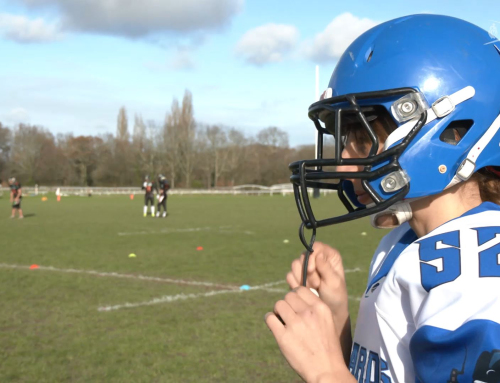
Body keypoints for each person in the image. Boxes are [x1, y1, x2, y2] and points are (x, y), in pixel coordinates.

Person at [265, 14, 500, 383]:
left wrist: (326, 372)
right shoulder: (406, 239)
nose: (344, 163)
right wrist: (338, 317)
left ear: (450, 131)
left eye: (361, 137)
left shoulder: (477, 270)